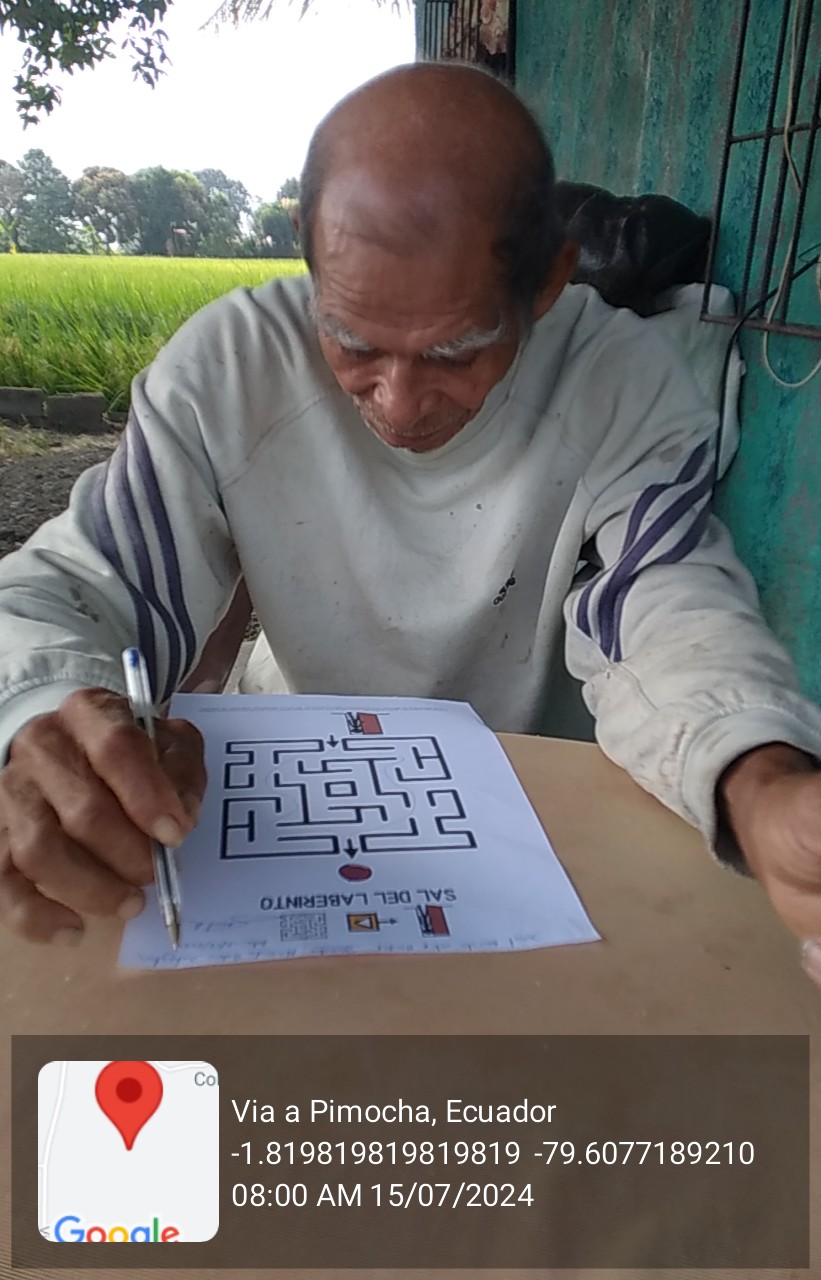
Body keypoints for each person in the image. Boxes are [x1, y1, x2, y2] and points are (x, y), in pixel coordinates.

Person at [1, 63, 821, 983]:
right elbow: (78, 586)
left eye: (457, 351)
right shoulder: (228, 372)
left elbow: (661, 605)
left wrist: (758, 780)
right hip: (287, 778)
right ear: (309, 258)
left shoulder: (622, 383)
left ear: (548, 283)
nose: (396, 404)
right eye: (352, 342)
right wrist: (38, 713)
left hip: (536, 796)